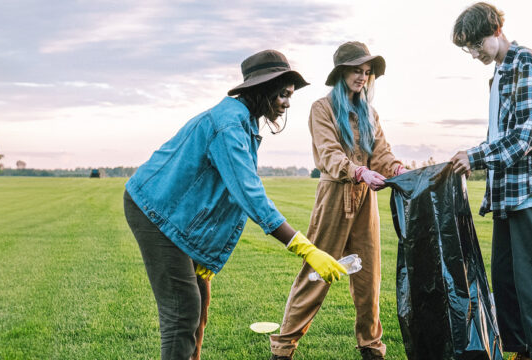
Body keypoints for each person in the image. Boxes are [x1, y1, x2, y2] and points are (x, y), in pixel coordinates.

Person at [123, 49, 347, 360]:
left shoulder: (243, 123)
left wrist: (202, 250)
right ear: (262, 88)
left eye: (290, 95)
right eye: (282, 93)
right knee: (182, 312)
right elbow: (249, 194)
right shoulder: (229, 126)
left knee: (199, 302)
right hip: (154, 210)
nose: (287, 102)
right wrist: (305, 248)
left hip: (175, 213)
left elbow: (220, 195)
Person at [448, 3, 532, 359]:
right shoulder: (499, 73)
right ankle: (521, 349)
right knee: (505, 278)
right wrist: (478, 160)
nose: (473, 53)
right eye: (468, 48)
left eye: (476, 44)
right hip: (506, 194)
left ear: (496, 30)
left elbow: (527, 133)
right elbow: (501, 133)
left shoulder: (525, 62)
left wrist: (476, 156)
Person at [269, 41, 405, 360]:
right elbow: (329, 154)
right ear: (342, 72)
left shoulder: (369, 113)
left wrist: (395, 167)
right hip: (334, 196)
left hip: (365, 203)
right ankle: (283, 349)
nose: (363, 77)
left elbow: (381, 153)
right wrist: (358, 172)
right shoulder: (322, 108)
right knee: (315, 275)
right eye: (357, 70)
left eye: (367, 72)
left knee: (368, 279)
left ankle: (371, 348)